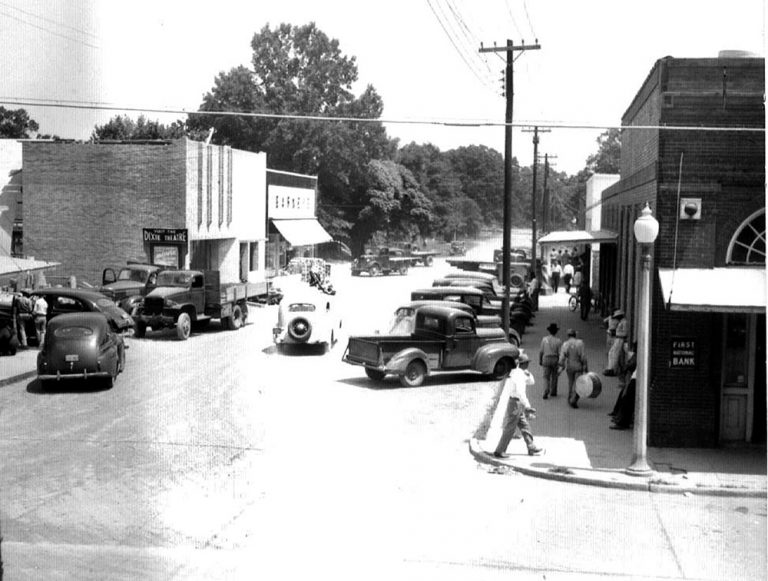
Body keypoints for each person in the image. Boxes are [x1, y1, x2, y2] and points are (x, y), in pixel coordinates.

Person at [493, 352, 545, 458]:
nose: (528, 365)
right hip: (516, 404)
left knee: (524, 425)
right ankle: (499, 450)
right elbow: (521, 393)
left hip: (516, 404)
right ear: (524, 363)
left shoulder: (518, 372)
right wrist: (528, 406)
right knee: (510, 428)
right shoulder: (519, 376)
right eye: (527, 363)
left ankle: (531, 446)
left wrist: (528, 373)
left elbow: (531, 382)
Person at [559, 328, 588, 408]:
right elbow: (583, 356)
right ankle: (574, 399)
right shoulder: (580, 343)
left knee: (571, 383)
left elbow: (562, 357)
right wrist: (585, 366)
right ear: (575, 335)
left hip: (570, 366)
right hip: (578, 366)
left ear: (568, 336)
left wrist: (561, 366)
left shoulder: (565, 344)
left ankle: (570, 397)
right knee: (578, 383)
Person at [539, 322, 562, 399]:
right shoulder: (558, 341)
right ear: (556, 332)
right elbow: (560, 353)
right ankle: (553, 391)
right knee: (554, 376)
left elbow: (541, 351)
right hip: (555, 359)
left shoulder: (544, 339)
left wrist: (540, 360)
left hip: (546, 359)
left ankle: (546, 390)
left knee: (546, 376)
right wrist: (560, 362)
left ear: (549, 331)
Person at [605, 309, 628, 376]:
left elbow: (625, 333)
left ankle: (612, 369)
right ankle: (610, 368)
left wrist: (617, 333)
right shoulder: (621, 321)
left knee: (615, 354)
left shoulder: (624, 322)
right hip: (617, 338)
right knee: (611, 353)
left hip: (620, 339)